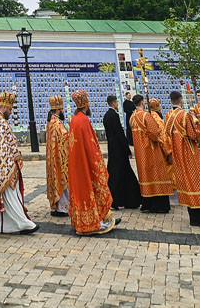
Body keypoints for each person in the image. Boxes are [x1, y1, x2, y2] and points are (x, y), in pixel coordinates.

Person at [0, 91, 37, 234]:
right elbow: (0, 146)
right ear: (4, 107)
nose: (11, 112)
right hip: (4, 166)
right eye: (10, 109)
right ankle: (22, 223)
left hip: (1, 165)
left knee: (5, 196)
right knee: (11, 195)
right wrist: (11, 163)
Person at [163, 91, 200, 227]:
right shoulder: (185, 115)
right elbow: (193, 135)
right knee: (197, 180)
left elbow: (167, 133)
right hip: (189, 152)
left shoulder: (168, 115)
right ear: (181, 101)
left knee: (187, 181)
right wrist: (198, 127)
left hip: (177, 153)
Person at [66, 90, 116, 235]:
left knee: (81, 191)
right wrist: (97, 161)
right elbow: (90, 144)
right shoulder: (83, 120)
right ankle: (92, 224)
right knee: (89, 190)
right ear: (86, 104)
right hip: (86, 163)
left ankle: (82, 221)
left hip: (77, 164)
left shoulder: (75, 119)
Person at [131, 97, 174, 213]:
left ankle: (147, 204)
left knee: (146, 176)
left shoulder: (132, 117)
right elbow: (154, 133)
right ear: (142, 102)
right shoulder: (146, 115)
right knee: (157, 174)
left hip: (140, 152)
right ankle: (159, 206)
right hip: (151, 150)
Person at [103, 94, 141, 210]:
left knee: (117, 174)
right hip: (119, 150)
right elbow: (119, 133)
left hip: (112, 149)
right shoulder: (114, 115)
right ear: (114, 103)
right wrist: (127, 149)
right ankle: (127, 199)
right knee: (120, 175)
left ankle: (122, 200)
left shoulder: (106, 116)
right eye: (116, 103)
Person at [45, 95, 70, 217]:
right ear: (59, 110)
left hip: (53, 158)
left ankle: (57, 207)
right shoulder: (57, 124)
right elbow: (66, 139)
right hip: (60, 159)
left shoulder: (51, 122)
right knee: (62, 182)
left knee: (56, 181)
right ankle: (62, 208)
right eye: (62, 109)